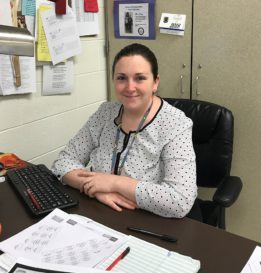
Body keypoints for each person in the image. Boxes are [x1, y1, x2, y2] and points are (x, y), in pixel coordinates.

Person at [51, 43, 197, 218]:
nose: (129, 87)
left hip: (147, 220)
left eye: (140, 78)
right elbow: (63, 162)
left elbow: (180, 200)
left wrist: (114, 183)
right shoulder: (105, 113)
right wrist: (96, 189)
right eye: (121, 78)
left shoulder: (175, 123)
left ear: (155, 82)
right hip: (97, 210)